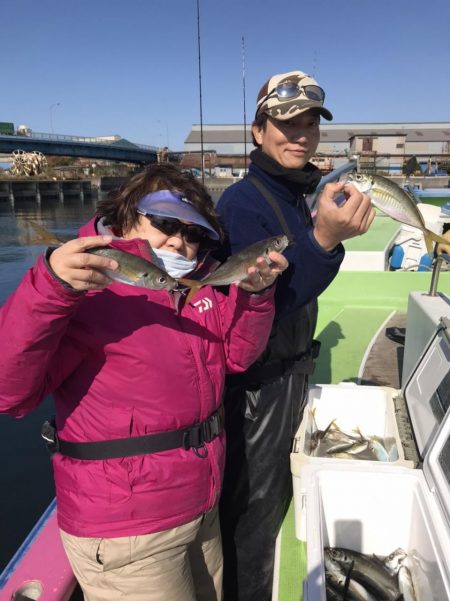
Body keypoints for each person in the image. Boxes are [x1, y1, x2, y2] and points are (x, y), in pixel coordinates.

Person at [0, 163, 289, 601]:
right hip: (126, 529)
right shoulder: (84, 285)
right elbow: (11, 394)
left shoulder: (196, 287)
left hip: (200, 507)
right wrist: (50, 287)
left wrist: (255, 296)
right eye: (166, 223)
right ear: (124, 218)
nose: (179, 241)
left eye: (194, 234)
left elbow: (236, 356)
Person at [216, 70, 375, 600]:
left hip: (288, 378)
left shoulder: (294, 192)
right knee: (254, 517)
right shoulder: (244, 204)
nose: (301, 135)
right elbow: (269, 306)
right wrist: (326, 240)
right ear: (258, 131)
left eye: (310, 124)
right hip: (256, 391)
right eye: (286, 123)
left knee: (273, 502)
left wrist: (322, 234)